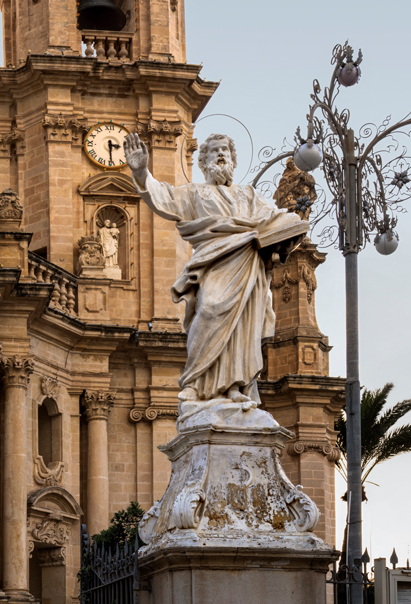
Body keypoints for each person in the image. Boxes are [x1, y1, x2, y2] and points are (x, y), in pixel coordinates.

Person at [123, 131, 306, 421]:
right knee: (208, 310)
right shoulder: (195, 193)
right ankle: (196, 384)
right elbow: (163, 198)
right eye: (215, 151)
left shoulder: (249, 195)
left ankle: (234, 385)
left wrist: (292, 225)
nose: (221, 155)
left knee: (241, 328)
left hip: (247, 266)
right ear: (204, 160)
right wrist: (141, 171)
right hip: (214, 263)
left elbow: (275, 219)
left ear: (233, 159)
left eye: (226, 151)